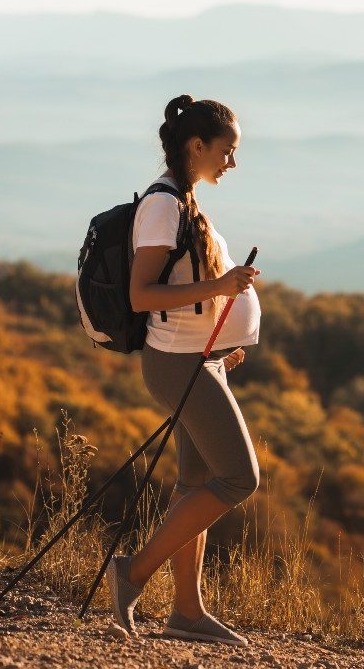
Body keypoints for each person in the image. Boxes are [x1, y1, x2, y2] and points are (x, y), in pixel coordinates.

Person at [105, 95, 262, 646]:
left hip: (200, 360)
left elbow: (183, 295)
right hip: (175, 364)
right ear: (197, 146)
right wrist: (222, 288)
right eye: (227, 151)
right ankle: (134, 571)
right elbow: (143, 293)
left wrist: (219, 346)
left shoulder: (187, 200)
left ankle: (187, 613)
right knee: (239, 477)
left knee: (195, 482)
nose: (232, 163)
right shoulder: (163, 206)